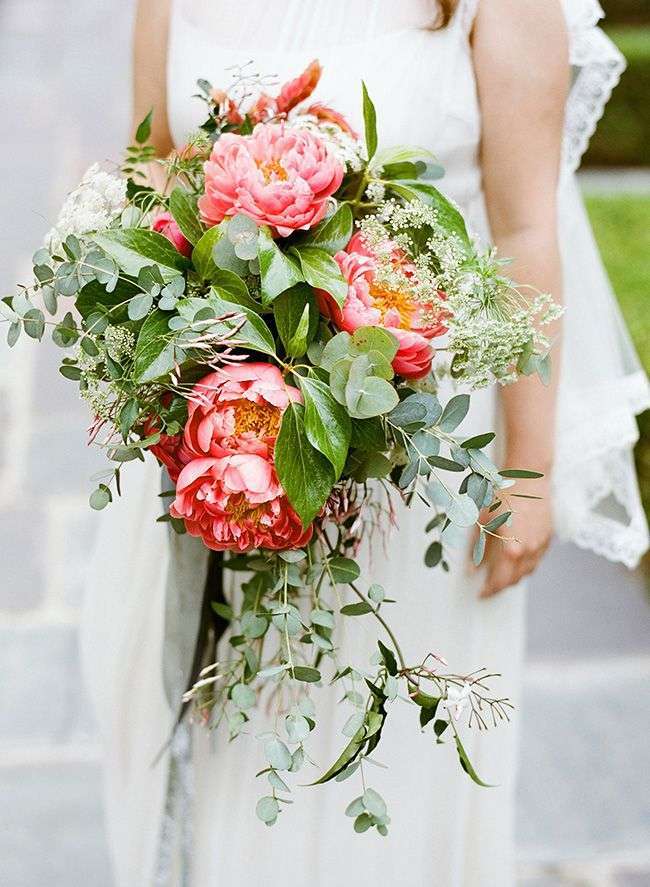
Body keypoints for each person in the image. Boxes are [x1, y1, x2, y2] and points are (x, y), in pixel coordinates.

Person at [82, 1, 650, 885]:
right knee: (236, 746)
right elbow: (152, 172)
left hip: (419, 467)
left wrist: (530, 480)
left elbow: (527, 228)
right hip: (223, 454)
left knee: (390, 766)